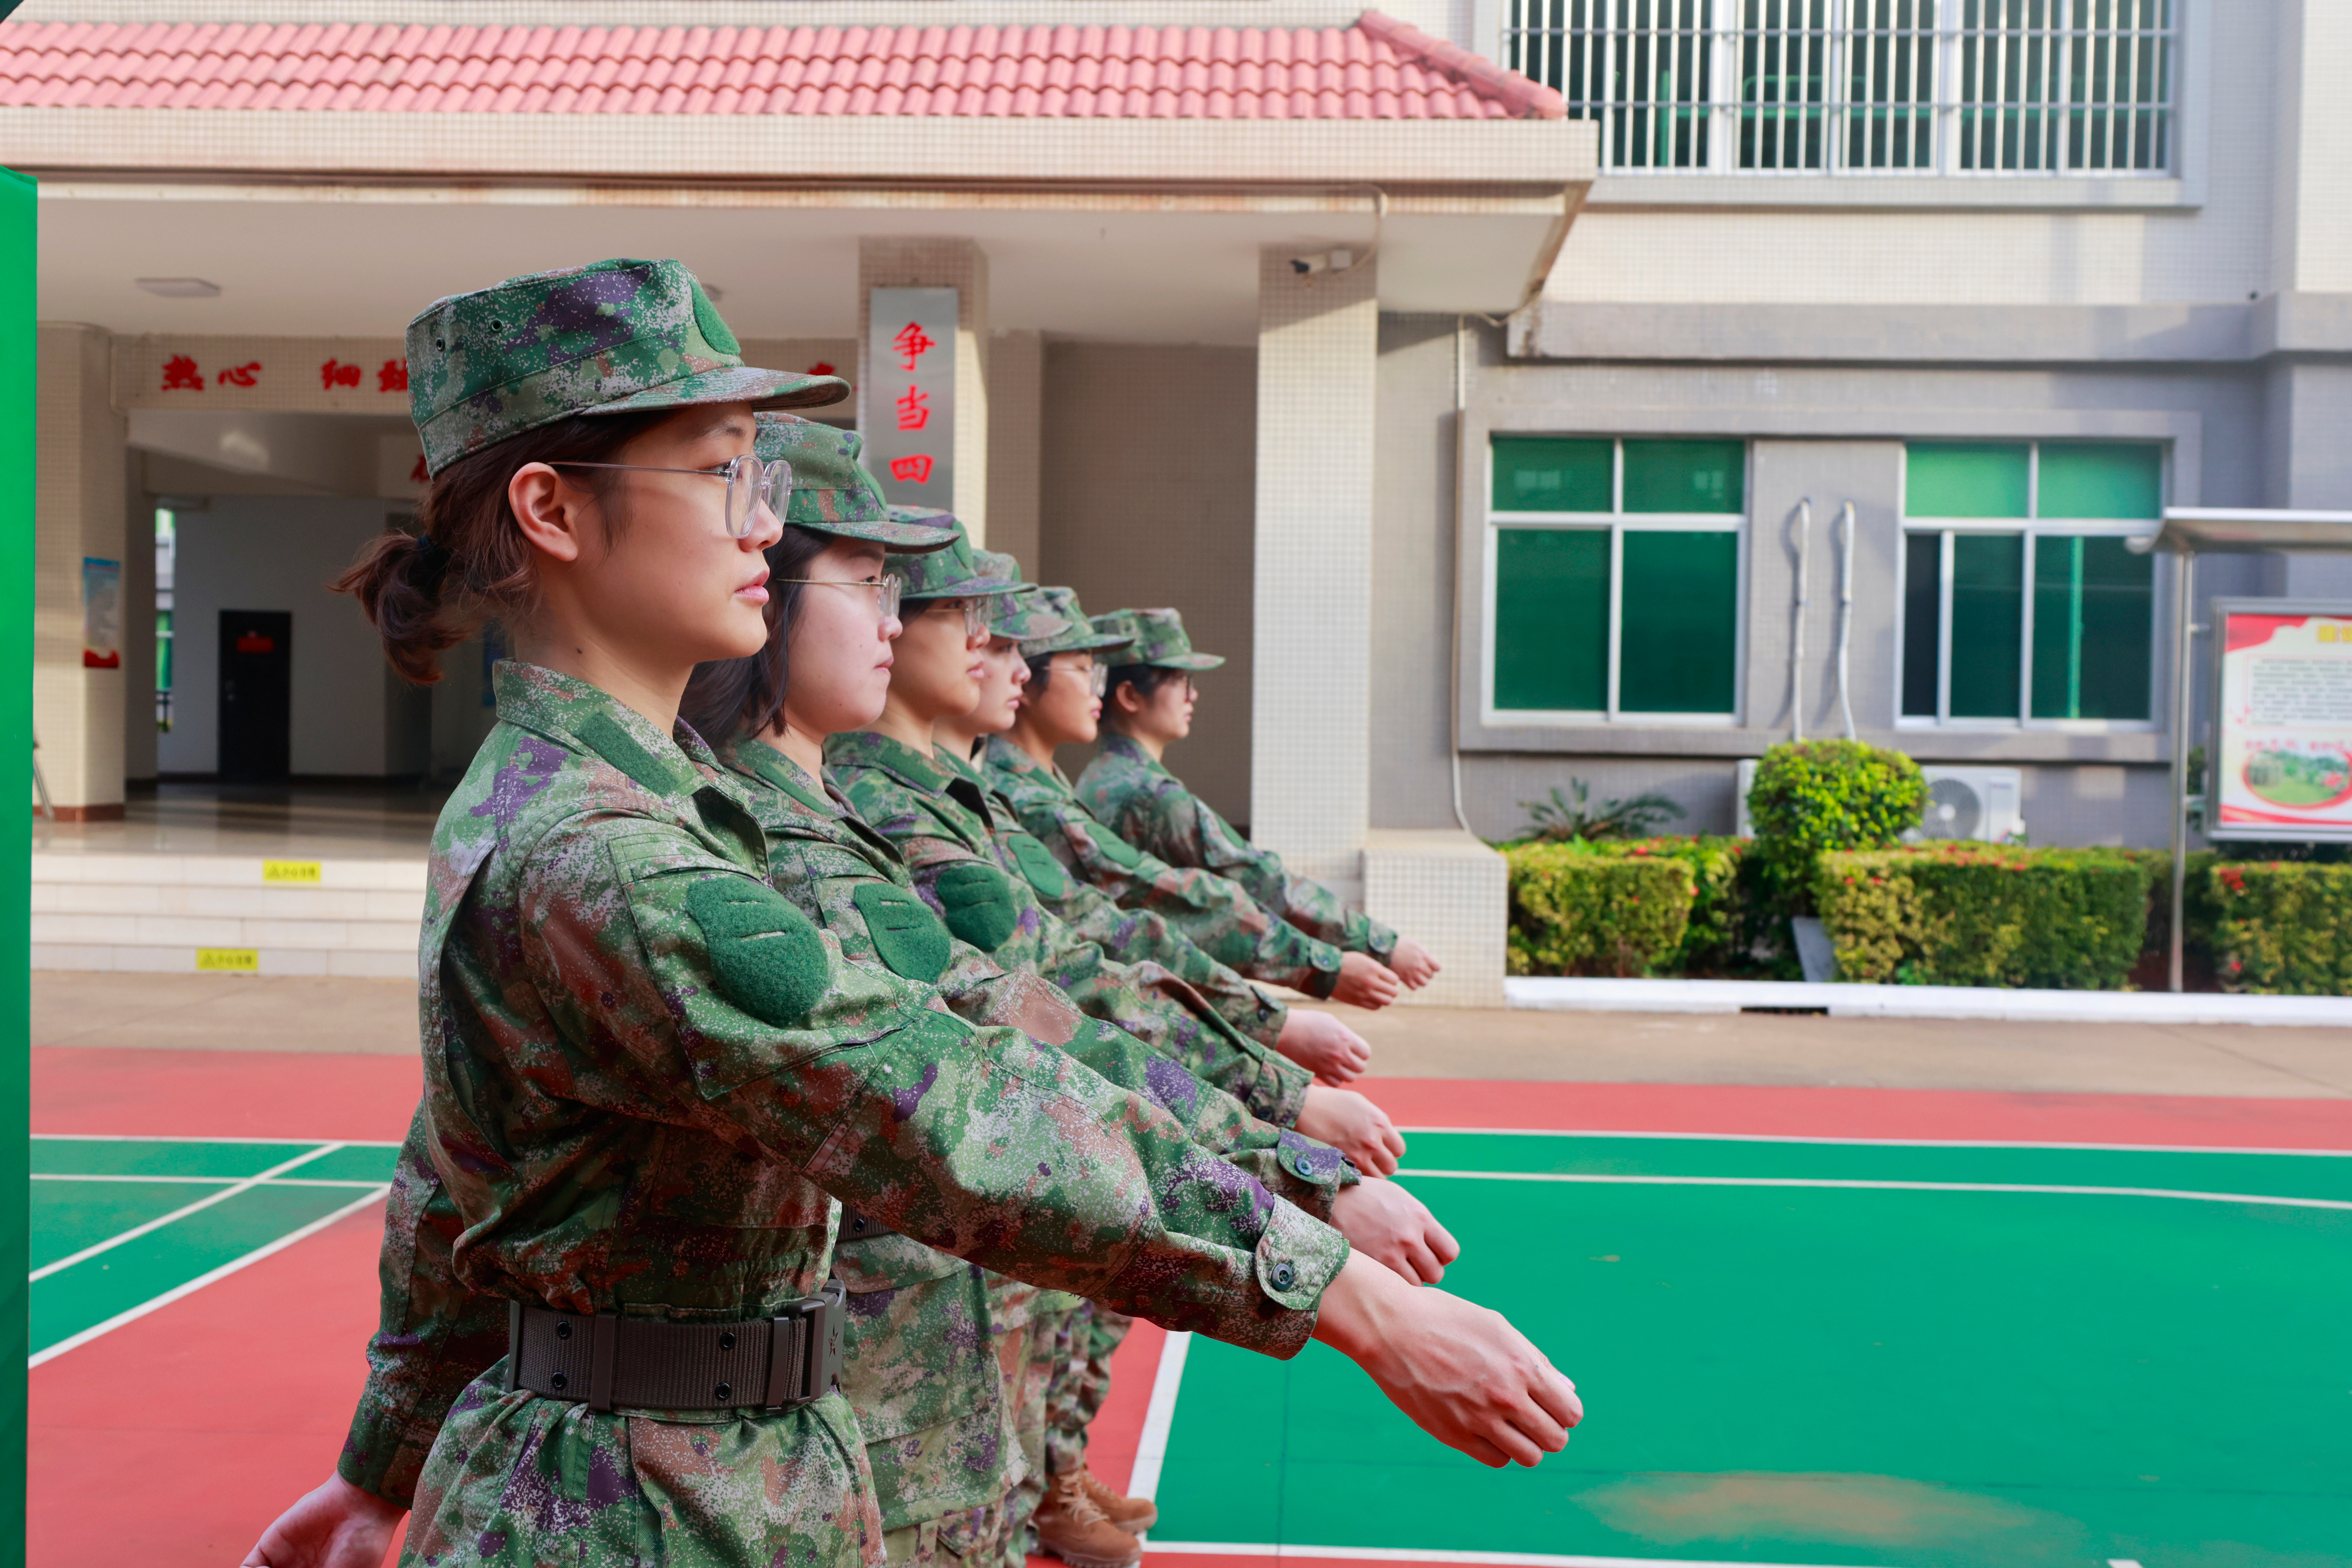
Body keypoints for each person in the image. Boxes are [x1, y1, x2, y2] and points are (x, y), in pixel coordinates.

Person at [240, 301, 1547, 1566]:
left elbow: (446, 1173)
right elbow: (951, 1107)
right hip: (647, 1504)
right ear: (551, 508)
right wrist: (1351, 1300)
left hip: (692, 1473)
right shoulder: (610, 855)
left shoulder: (623, 806)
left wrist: (384, 1462)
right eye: (719, 473)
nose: (765, 522)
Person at [824, 521, 1404, 1178]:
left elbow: (1089, 937)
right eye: (966, 615)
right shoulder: (889, 800)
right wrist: (1273, 1061)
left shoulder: (952, 792)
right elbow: (1070, 960)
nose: (997, 655)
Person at [946, 566, 1374, 1087]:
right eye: (1083, 668)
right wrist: (1311, 977)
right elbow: (1148, 907)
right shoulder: (1053, 795)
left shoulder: (1020, 788)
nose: (1012, 671)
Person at [1077, 609, 1444, 989]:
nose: (1194, 694)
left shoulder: (1100, 776)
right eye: (1181, 680)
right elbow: (1258, 877)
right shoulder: (1150, 795)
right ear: (1130, 695)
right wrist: (1382, 945)